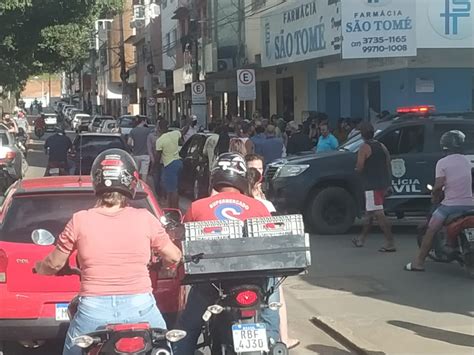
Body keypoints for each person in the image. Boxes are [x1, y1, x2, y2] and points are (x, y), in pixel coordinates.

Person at [35, 149, 182, 355]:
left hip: (94, 311)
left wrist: (39, 268)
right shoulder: (145, 218)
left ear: (97, 181)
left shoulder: (80, 220)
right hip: (141, 307)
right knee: (165, 347)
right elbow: (174, 256)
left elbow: (54, 264)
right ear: (131, 181)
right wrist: (167, 264)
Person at [174, 153, 281, 355]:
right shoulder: (259, 206)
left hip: (213, 282)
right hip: (254, 279)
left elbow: (184, 241)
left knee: (188, 326)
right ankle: (275, 342)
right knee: (269, 311)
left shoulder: (197, 207)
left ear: (215, 177)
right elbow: (271, 241)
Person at [405, 130, 474, 272]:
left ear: (444, 145)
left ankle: (418, 263)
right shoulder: (467, 161)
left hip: (450, 206)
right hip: (470, 205)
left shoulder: (442, 163)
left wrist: (434, 196)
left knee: (431, 230)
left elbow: (438, 186)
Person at [352, 122, 395, 251]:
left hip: (371, 185)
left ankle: (390, 242)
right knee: (369, 214)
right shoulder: (381, 146)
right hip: (382, 184)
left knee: (378, 214)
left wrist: (356, 170)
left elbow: (360, 167)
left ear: (362, 135)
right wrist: (389, 183)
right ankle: (361, 239)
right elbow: (388, 163)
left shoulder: (364, 148)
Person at [156, 119, 183, 208]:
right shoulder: (175, 133)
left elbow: (158, 156)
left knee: (172, 190)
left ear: (159, 128)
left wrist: (154, 168)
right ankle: (172, 207)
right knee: (174, 188)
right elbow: (183, 134)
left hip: (169, 164)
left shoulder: (160, 140)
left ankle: (174, 209)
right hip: (178, 162)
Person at [128, 116, 151, 181]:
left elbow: (129, 142)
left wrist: (133, 148)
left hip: (136, 155)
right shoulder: (148, 131)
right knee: (144, 173)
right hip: (146, 155)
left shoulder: (133, 131)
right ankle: (143, 187)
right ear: (143, 122)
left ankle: (136, 185)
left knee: (136, 172)